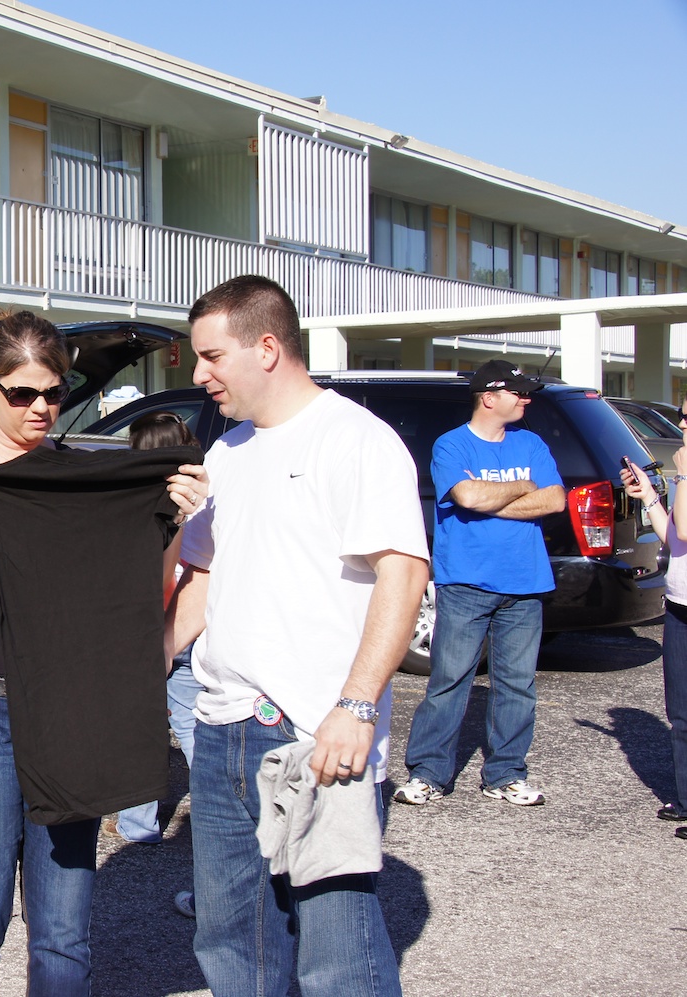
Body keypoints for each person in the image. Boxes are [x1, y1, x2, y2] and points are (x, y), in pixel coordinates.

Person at [0, 309, 198, 996]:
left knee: (64, 934)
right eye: (23, 393)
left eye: (55, 392)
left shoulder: (76, 476)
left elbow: (143, 590)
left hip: (70, 709)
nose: (41, 407)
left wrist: (174, 521)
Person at [167, 275, 428, 997]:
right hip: (221, 729)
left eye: (212, 356)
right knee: (231, 943)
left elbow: (403, 573)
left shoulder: (357, 440)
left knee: (338, 955)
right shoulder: (226, 454)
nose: (201, 375)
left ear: (267, 347)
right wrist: (149, 663)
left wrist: (359, 705)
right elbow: (204, 579)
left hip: (317, 734)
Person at [395, 360, 565, 809]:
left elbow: (554, 499)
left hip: (525, 583)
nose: (525, 399)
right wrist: (524, 485)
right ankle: (428, 773)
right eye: (517, 392)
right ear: (489, 397)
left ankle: (506, 774)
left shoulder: (531, 442)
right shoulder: (451, 445)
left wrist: (493, 500)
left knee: (518, 686)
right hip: (466, 583)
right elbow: (466, 496)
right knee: (449, 681)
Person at [111, 413, 205, 865]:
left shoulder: (140, 500)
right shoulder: (205, 493)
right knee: (193, 725)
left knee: (137, 728)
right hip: (196, 624)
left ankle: (138, 824)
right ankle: (219, 811)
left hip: (148, 626)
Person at [621, 413, 687, 837]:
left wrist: (684, 475)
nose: (683, 424)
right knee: (680, 712)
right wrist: (649, 497)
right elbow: (675, 540)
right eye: (683, 415)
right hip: (680, 605)